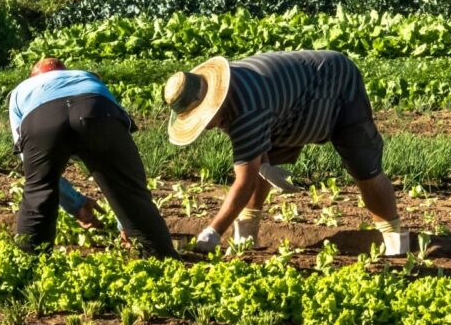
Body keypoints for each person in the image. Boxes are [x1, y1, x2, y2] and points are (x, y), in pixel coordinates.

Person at [163, 51, 409, 256]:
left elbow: (245, 182)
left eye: (203, 118)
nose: (204, 125)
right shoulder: (226, 93)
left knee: (365, 169)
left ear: (214, 101)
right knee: (257, 164)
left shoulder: (247, 107)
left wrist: (213, 232)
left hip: (335, 85)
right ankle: (246, 239)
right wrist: (265, 164)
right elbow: (253, 153)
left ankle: (396, 243)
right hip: (290, 107)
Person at [9, 57, 174, 256]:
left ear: (33, 77)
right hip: (95, 108)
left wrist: (76, 205)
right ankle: (160, 263)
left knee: (38, 190)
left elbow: (31, 165)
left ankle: (27, 269)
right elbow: (122, 169)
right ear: (65, 71)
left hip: (42, 119)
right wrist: (126, 225)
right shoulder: (85, 77)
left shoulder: (22, 90)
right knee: (128, 187)